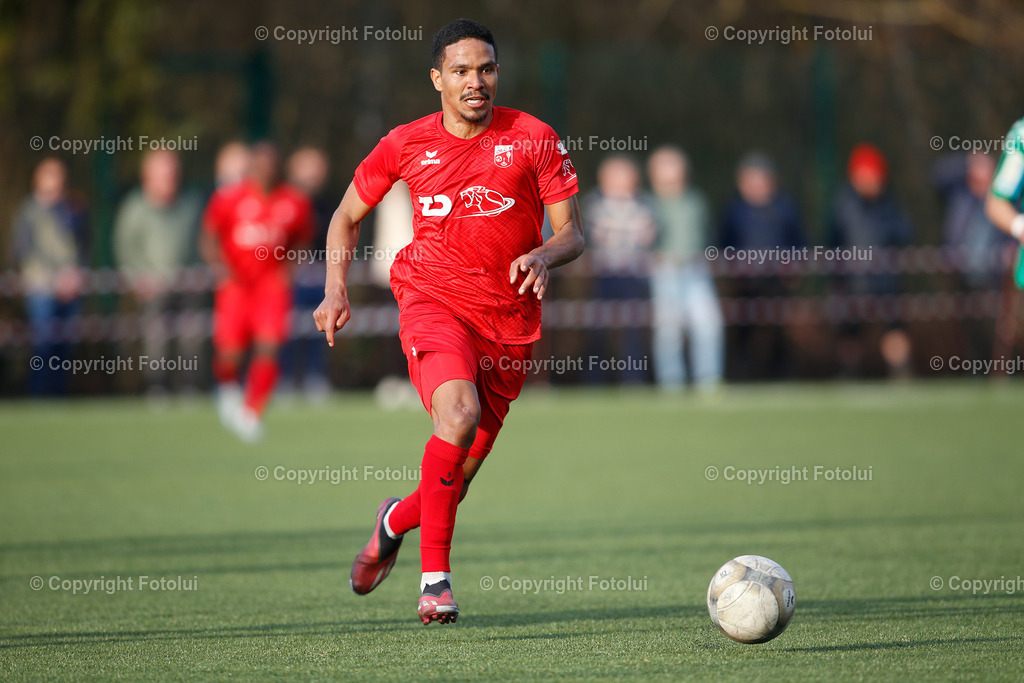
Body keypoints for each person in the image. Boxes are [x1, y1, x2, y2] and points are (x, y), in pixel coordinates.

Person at [313, 19, 584, 625]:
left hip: (509, 321)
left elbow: (572, 233)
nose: (475, 81)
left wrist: (543, 253)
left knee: (453, 482)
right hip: (432, 301)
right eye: (461, 70)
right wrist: (335, 289)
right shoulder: (405, 143)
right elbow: (345, 215)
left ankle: (390, 521)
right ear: (437, 79)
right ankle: (435, 582)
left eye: (486, 68)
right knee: (455, 415)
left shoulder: (535, 138)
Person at [201, 142, 313, 441]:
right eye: (260, 165)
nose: (266, 171)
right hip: (236, 287)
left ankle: (251, 411)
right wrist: (221, 270)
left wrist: (288, 272)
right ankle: (227, 390)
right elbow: (209, 236)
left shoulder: (293, 201)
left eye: (271, 165)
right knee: (230, 353)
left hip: (270, 287)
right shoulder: (230, 199)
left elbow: (303, 239)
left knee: (269, 346)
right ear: (251, 167)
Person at [113, 149, 203, 395]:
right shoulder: (134, 209)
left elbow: (201, 245)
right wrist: (138, 279)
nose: (169, 181)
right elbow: (125, 250)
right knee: (156, 336)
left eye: (173, 175)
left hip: (186, 286)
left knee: (191, 335)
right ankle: (157, 387)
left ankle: (189, 387)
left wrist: (197, 273)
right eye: (163, 175)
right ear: (147, 176)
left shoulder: (190, 205)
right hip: (151, 290)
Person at [828, 144, 913, 377]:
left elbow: (904, 236)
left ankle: (901, 375)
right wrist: (838, 277)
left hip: (886, 282)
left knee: (893, 330)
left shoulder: (890, 204)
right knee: (850, 334)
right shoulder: (843, 204)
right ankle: (849, 374)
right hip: (852, 282)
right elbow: (832, 242)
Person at [719, 152, 805, 380]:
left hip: (777, 280)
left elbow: (798, 242)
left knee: (779, 332)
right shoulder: (734, 210)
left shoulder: (785, 208)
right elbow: (723, 245)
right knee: (742, 333)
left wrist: (795, 267)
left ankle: (782, 377)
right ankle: (741, 378)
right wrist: (731, 272)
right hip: (745, 282)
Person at [647, 146, 723, 393]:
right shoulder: (648, 203)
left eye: (674, 164)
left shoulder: (695, 200)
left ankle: (708, 381)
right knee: (668, 331)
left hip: (695, 269)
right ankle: (672, 385)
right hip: (664, 270)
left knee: (708, 324)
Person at [11, 157, 88, 396]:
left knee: (64, 350)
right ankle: (39, 396)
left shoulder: (72, 209)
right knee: (44, 347)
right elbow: (23, 251)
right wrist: (53, 279)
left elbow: (83, 246)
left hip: (70, 289)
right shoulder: (29, 212)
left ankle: (59, 396)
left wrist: (75, 274)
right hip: (41, 289)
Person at [583, 155, 657, 383]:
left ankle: (633, 381)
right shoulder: (593, 203)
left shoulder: (644, 203)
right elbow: (592, 236)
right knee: (598, 330)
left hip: (634, 276)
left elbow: (650, 235)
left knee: (633, 330)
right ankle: (592, 382)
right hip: (603, 275)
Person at [281, 147, 333, 401]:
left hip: (320, 278)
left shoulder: (326, 204)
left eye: (318, 167)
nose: (315, 174)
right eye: (309, 167)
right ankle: (285, 379)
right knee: (286, 330)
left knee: (321, 330)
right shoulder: (284, 202)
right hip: (289, 278)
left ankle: (315, 377)